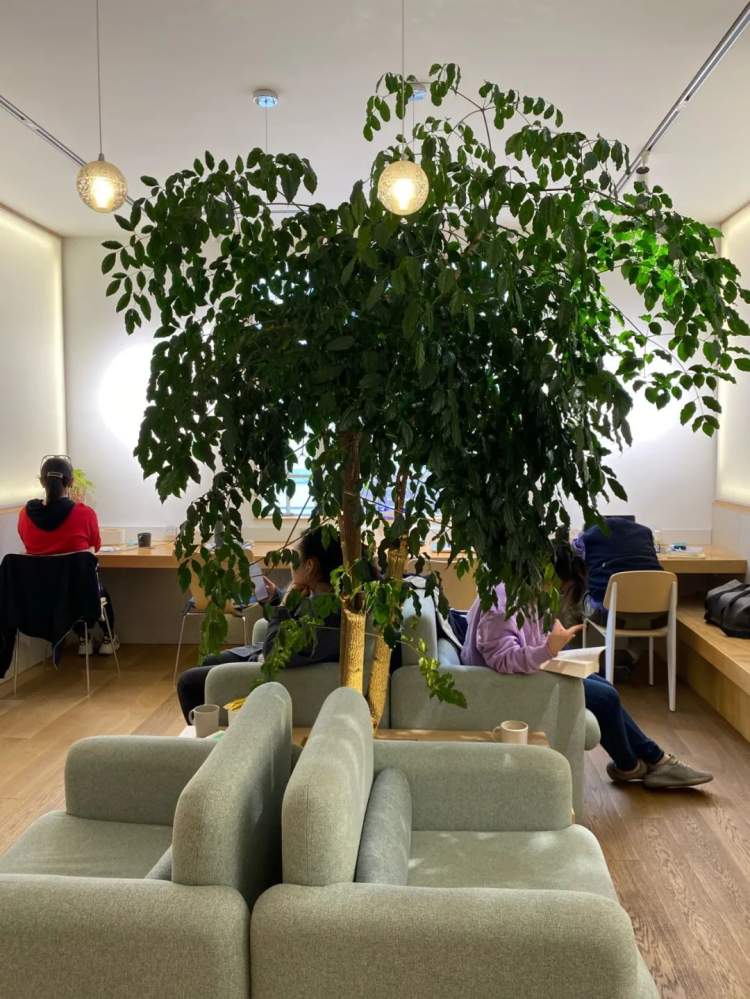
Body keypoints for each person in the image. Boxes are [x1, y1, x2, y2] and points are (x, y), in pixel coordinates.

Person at [460, 544, 713, 789]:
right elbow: (503, 660)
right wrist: (548, 649)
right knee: (605, 697)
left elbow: (521, 639)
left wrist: (550, 645)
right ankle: (636, 764)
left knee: (602, 685)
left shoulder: (521, 592)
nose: (563, 598)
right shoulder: (503, 601)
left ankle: (650, 761)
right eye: (565, 590)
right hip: (504, 683)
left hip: (524, 673)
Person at [176, 527, 343, 722]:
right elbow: (291, 621)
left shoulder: (326, 615)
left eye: (294, 557)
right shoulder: (318, 593)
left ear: (309, 566)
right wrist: (275, 598)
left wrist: (283, 605)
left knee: (187, 682)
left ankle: (209, 730)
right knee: (208, 662)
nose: (290, 563)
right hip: (263, 653)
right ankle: (213, 726)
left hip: (269, 663)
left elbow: (274, 650)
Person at [17, 455, 119, 658]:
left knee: (72, 585)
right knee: (90, 587)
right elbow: (96, 545)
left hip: (38, 597)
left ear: (42, 481)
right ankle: (108, 639)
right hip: (77, 594)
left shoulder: (25, 514)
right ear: (70, 482)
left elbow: (27, 544)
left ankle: (83, 639)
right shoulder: (84, 513)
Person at [573, 516, 662, 618]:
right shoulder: (645, 533)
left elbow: (576, 549)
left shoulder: (589, 536)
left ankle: (575, 626)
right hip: (655, 611)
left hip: (609, 613)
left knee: (582, 589)